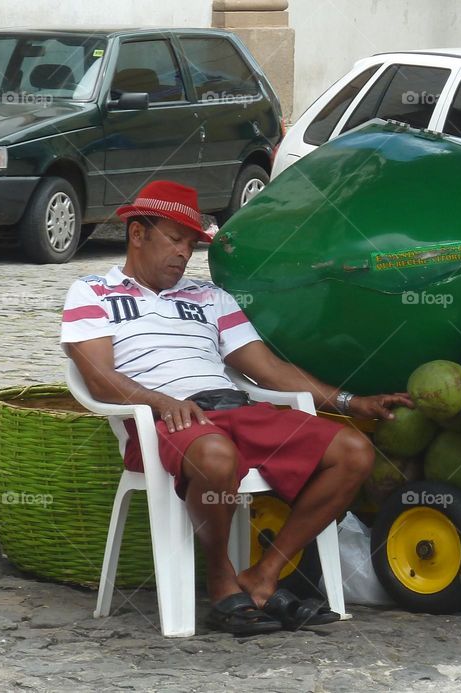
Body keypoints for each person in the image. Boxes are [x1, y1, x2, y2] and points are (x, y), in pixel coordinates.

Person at [61, 181, 413, 635]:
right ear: (137, 234)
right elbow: (97, 377)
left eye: (191, 245)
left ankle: (263, 577)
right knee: (215, 454)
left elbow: (267, 369)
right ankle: (222, 580)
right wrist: (161, 401)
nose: (184, 253)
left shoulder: (209, 298)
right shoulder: (92, 292)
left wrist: (352, 402)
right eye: (174, 239)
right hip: (161, 422)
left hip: (235, 410)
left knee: (353, 451)